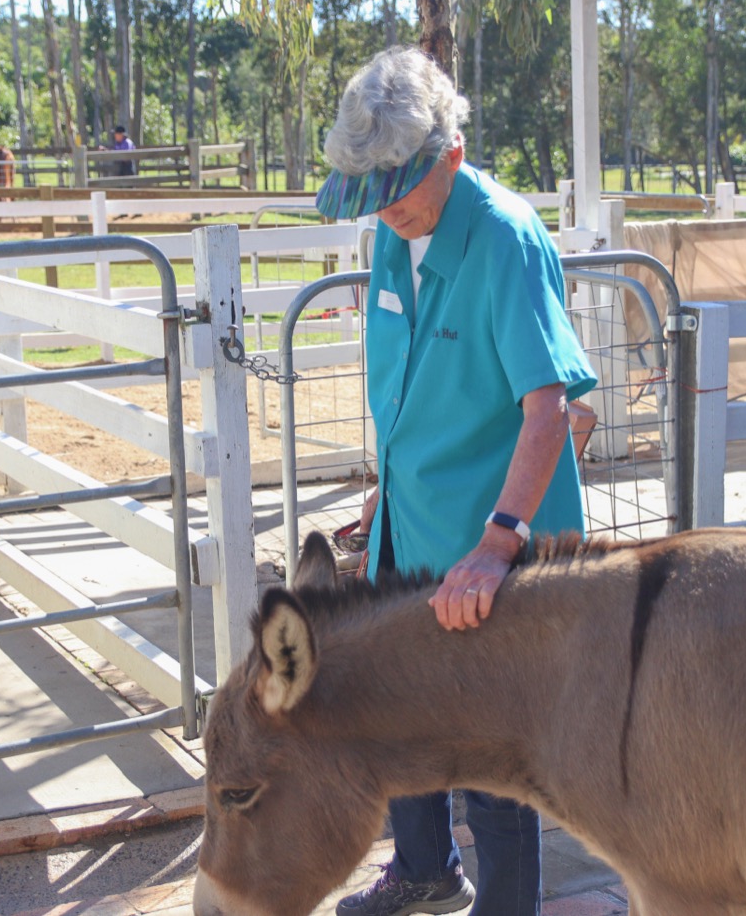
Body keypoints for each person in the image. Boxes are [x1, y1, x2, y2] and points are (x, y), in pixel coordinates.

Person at [315, 46, 597, 916]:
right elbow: (412, 378)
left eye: (399, 193)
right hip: (415, 515)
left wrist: (497, 541)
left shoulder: (505, 239)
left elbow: (551, 411)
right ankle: (426, 869)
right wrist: (387, 486)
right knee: (401, 712)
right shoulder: (395, 236)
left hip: (491, 537)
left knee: (490, 746)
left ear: (453, 157)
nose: (387, 214)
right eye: (374, 199)